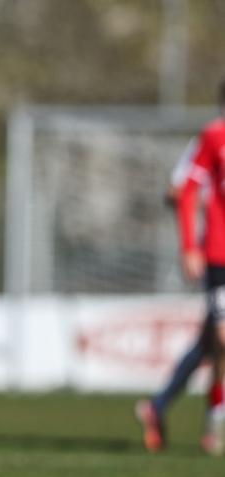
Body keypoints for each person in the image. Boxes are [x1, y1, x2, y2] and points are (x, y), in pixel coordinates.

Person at [135, 137, 210, 452]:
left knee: (211, 341)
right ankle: (213, 426)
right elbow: (176, 192)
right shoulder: (210, 141)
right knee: (217, 339)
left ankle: (160, 406)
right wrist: (211, 201)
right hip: (217, 255)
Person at [169, 79, 225, 456]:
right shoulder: (214, 136)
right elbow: (186, 189)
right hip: (219, 255)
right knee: (222, 340)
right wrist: (190, 246)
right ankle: (216, 416)